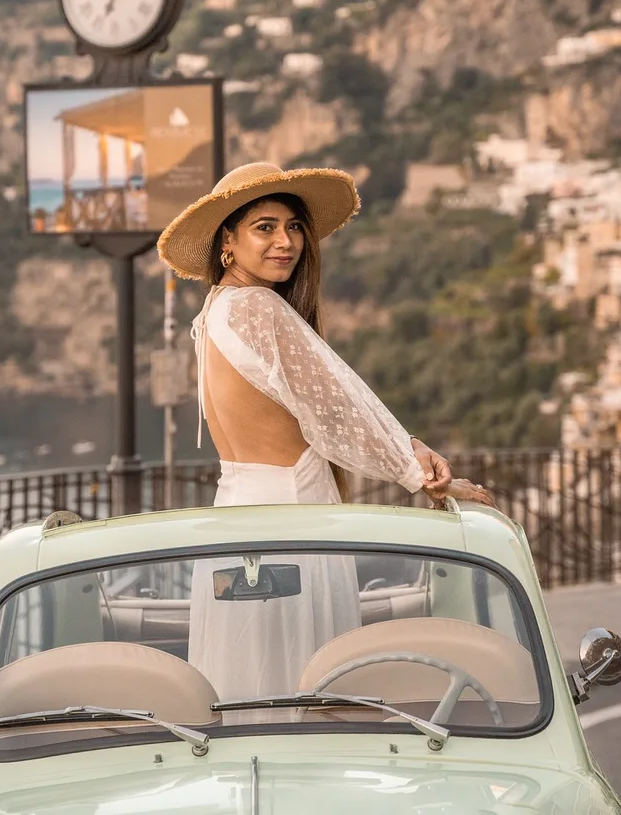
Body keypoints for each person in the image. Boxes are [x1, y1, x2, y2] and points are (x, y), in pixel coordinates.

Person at [156, 161, 495, 706]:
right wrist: (419, 471)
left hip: (234, 523)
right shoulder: (257, 308)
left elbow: (327, 404)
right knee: (308, 688)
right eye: (264, 227)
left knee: (249, 690)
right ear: (227, 241)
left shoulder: (215, 312)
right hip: (294, 525)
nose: (285, 241)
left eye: (293, 227)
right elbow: (338, 405)